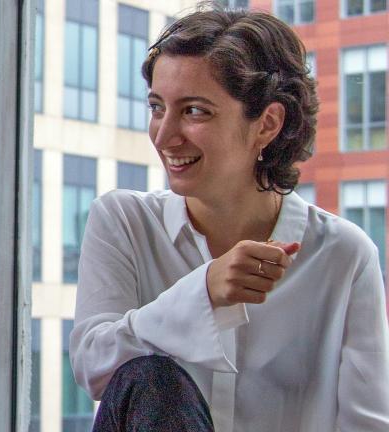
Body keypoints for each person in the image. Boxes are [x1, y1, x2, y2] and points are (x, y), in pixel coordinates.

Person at [70, 4, 389, 432]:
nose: (163, 137)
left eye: (195, 111)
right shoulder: (123, 220)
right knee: (150, 380)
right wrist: (203, 292)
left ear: (267, 123)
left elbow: (367, 424)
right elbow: (94, 368)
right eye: (157, 107)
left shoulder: (344, 255)